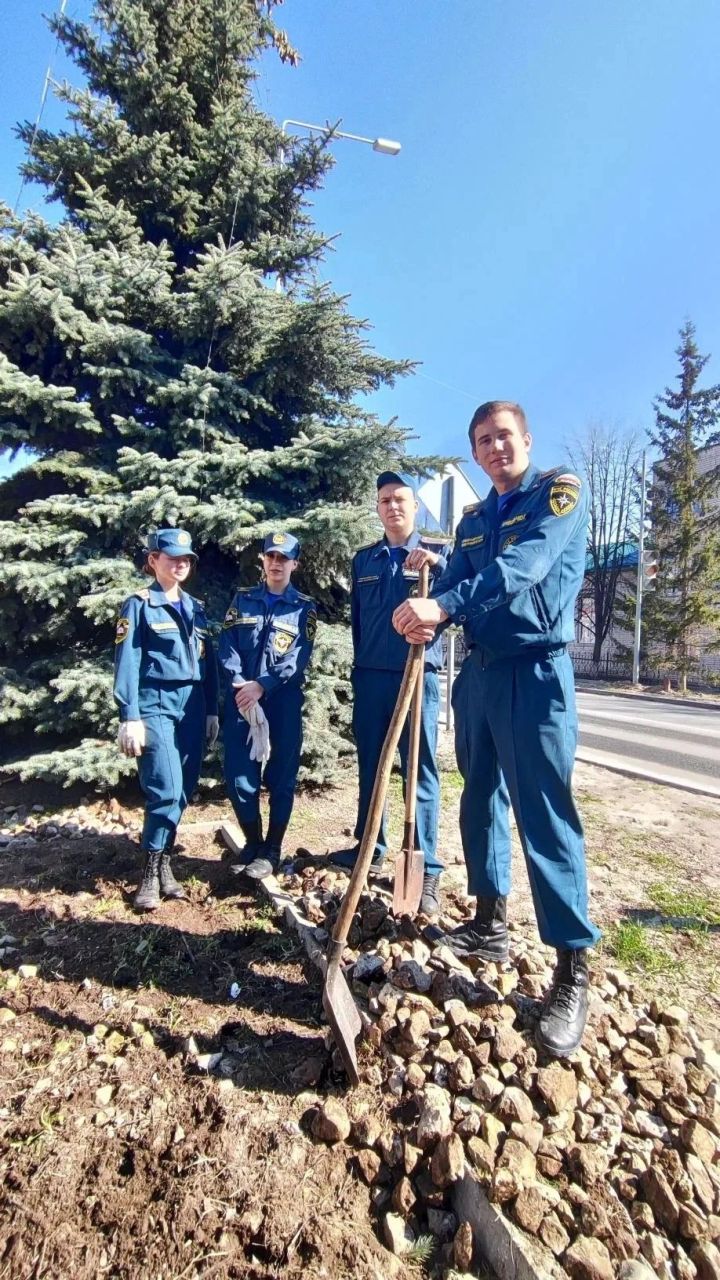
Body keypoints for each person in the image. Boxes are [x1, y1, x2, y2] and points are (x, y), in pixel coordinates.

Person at [392, 402, 600, 1057]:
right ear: (476, 453)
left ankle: (573, 970)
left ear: (526, 439)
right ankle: (489, 922)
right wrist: (423, 617)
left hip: (534, 674)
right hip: (480, 675)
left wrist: (444, 604)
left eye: (503, 436)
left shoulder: (557, 494)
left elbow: (524, 569)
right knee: (478, 798)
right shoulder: (475, 519)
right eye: (483, 441)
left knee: (545, 816)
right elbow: (457, 581)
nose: (494, 448)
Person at [331, 471, 446, 917]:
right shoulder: (365, 560)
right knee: (371, 766)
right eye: (384, 500)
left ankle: (425, 867)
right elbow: (359, 623)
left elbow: (457, 599)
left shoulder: (437, 555)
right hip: (372, 678)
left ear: (415, 506)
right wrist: (360, 669)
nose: (393, 506)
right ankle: (369, 846)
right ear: (377, 508)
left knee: (420, 772)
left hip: (416, 675)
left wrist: (437, 567)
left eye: (400, 498)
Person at [114, 528, 219, 911]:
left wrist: (212, 709)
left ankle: (165, 865)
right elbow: (127, 661)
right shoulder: (139, 606)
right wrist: (129, 715)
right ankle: (148, 873)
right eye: (172, 557)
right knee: (166, 788)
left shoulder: (196, 608)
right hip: (155, 704)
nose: (180, 564)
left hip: (192, 706)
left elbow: (209, 664)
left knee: (184, 788)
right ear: (153, 560)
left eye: (186, 558)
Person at [219, 533, 317, 879]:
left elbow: (299, 656)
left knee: (282, 777)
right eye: (271, 556)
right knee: (239, 776)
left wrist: (263, 685)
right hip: (242, 699)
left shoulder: (303, 607)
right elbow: (227, 643)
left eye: (283, 558)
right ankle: (253, 842)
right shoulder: (243, 599)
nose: (276, 563)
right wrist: (240, 683)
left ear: (294, 564)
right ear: (263, 560)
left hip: (282, 701)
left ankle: (272, 848)